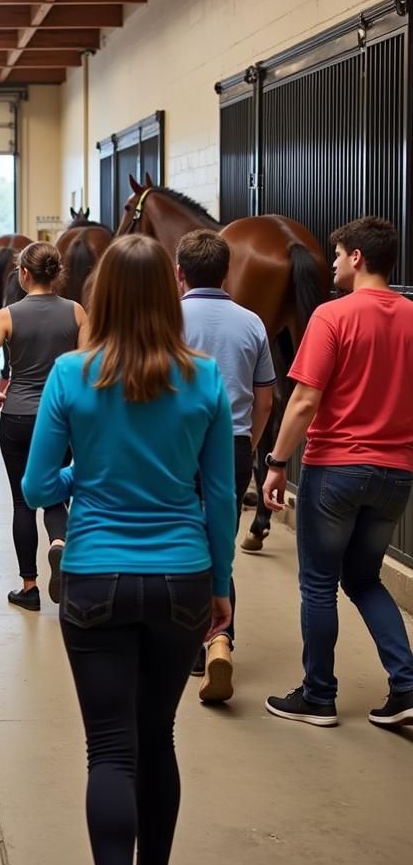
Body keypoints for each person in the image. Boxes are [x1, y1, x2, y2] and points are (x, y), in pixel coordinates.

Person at [23, 235, 235, 865]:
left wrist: (82, 475)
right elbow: (221, 497)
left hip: (94, 575)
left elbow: (37, 486)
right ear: (171, 291)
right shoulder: (205, 378)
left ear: (101, 294)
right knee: (157, 739)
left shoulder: (71, 374)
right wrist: (220, 584)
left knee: (110, 750)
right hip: (182, 578)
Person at [264, 216, 413, 728]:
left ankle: (318, 696)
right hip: (396, 473)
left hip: (337, 470)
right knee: (366, 580)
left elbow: (304, 401)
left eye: (337, 253)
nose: (331, 263)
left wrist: (277, 463)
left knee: (320, 584)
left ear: (358, 258)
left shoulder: (332, 317)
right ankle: (407, 686)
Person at [176, 229, 275, 702]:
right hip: (232, 447)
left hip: (173, 446)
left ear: (180, 273)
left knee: (179, 541)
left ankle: (194, 644)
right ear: (227, 271)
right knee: (220, 544)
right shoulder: (252, 323)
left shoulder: (166, 317)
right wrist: (250, 445)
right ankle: (221, 639)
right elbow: (266, 399)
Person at [0, 241, 87, 609]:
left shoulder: (8, 314)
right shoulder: (77, 312)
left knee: (22, 502)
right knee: (55, 492)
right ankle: (59, 543)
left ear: (23, 274)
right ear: (57, 275)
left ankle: (29, 587)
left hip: (18, 415)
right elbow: (86, 366)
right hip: (62, 418)